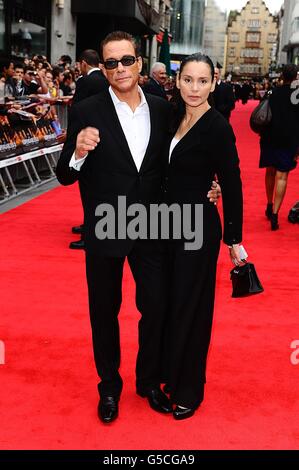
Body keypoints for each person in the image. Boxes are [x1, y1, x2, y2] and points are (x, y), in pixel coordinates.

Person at [56, 31, 220, 425]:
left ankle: (148, 381)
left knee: (157, 307)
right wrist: (78, 151)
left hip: (152, 227)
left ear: (140, 63)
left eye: (126, 60)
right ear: (104, 68)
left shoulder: (164, 108)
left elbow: (179, 161)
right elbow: (63, 174)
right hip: (105, 227)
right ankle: (109, 385)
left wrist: (206, 189)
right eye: (110, 63)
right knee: (104, 312)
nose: (119, 69)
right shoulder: (87, 109)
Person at [162, 53, 243, 420]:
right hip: (161, 225)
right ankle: (168, 374)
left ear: (214, 83)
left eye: (202, 81)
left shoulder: (217, 127)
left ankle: (189, 388)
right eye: (188, 80)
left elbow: (232, 182)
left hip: (197, 228)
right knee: (167, 303)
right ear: (178, 82)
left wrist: (234, 238)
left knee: (192, 307)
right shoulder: (169, 117)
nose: (194, 88)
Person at [70, 49, 109, 250]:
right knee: (96, 189)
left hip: (86, 143)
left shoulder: (85, 82)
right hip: (103, 141)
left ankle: (89, 234)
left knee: (88, 190)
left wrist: (71, 142)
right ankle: (90, 226)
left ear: (84, 63)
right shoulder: (104, 80)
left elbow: (76, 112)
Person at [259, 64, 299, 230]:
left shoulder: (272, 93)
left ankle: (269, 204)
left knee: (270, 171)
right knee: (282, 177)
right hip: (288, 141)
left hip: (270, 138)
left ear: (282, 75)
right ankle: (275, 213)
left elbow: (262, 114)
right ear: (295, 76)